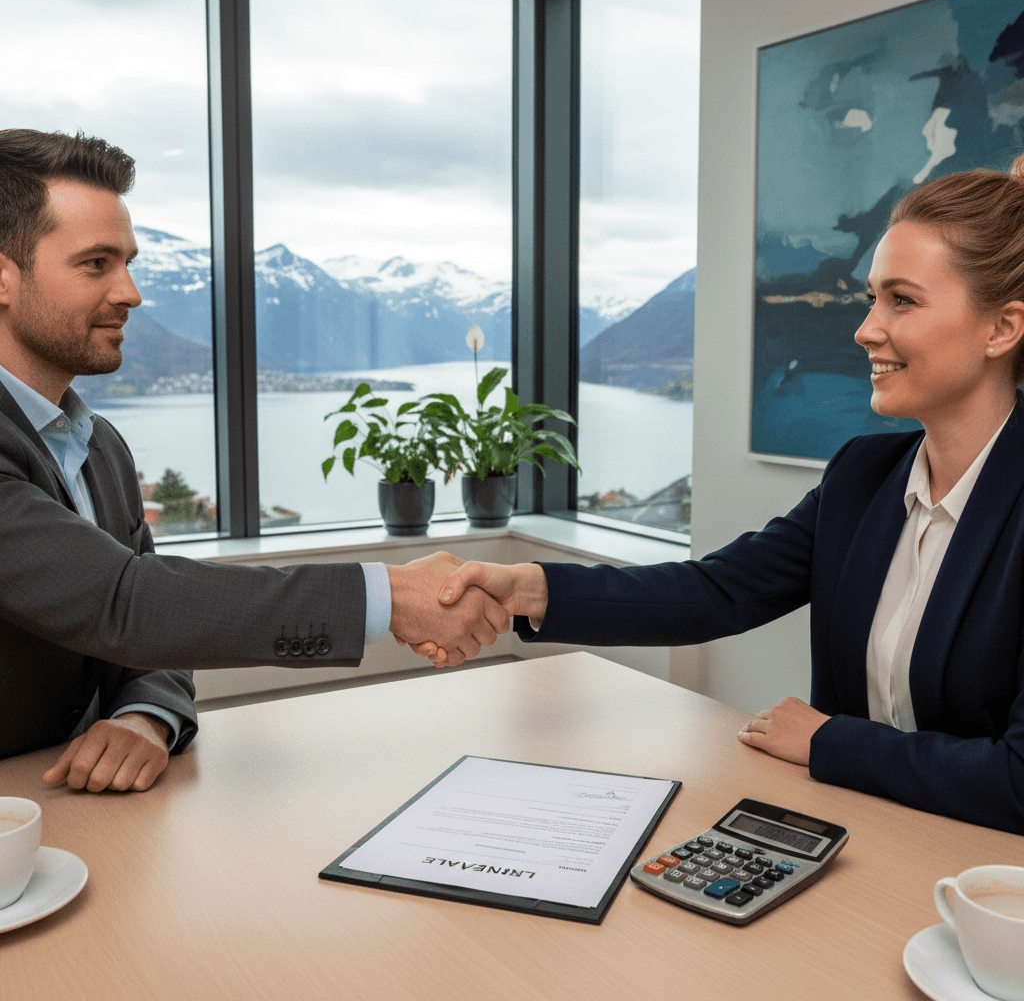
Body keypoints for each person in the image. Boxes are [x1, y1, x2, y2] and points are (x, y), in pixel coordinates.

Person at [428, 157, 1024, 835]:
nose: (865, 330)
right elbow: (717, 591)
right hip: (853, 842)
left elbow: (1018, 780)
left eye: (903, 300)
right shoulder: (864, 477)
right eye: (871, 299)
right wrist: (527, 589)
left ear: (1001, 329)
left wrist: (828, 741)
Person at [0, 129, 507, 792]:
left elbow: (157, 624)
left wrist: (145, 714)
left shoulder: (100, 448)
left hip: (84, 824)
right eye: (96, 263)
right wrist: (392, 594)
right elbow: (127, 603)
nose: (131, 292)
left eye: (128, 262)